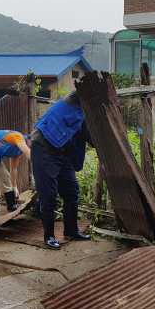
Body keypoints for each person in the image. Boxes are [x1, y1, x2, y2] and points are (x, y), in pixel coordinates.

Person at [30, 90, 92, 250]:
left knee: (72, 191)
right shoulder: (74, 98)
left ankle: (71, 230)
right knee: (49, 194)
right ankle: (49, 236)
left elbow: (90, 137)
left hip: (63, 152)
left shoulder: (87, 115)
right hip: (44, 145)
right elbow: (81, 90)